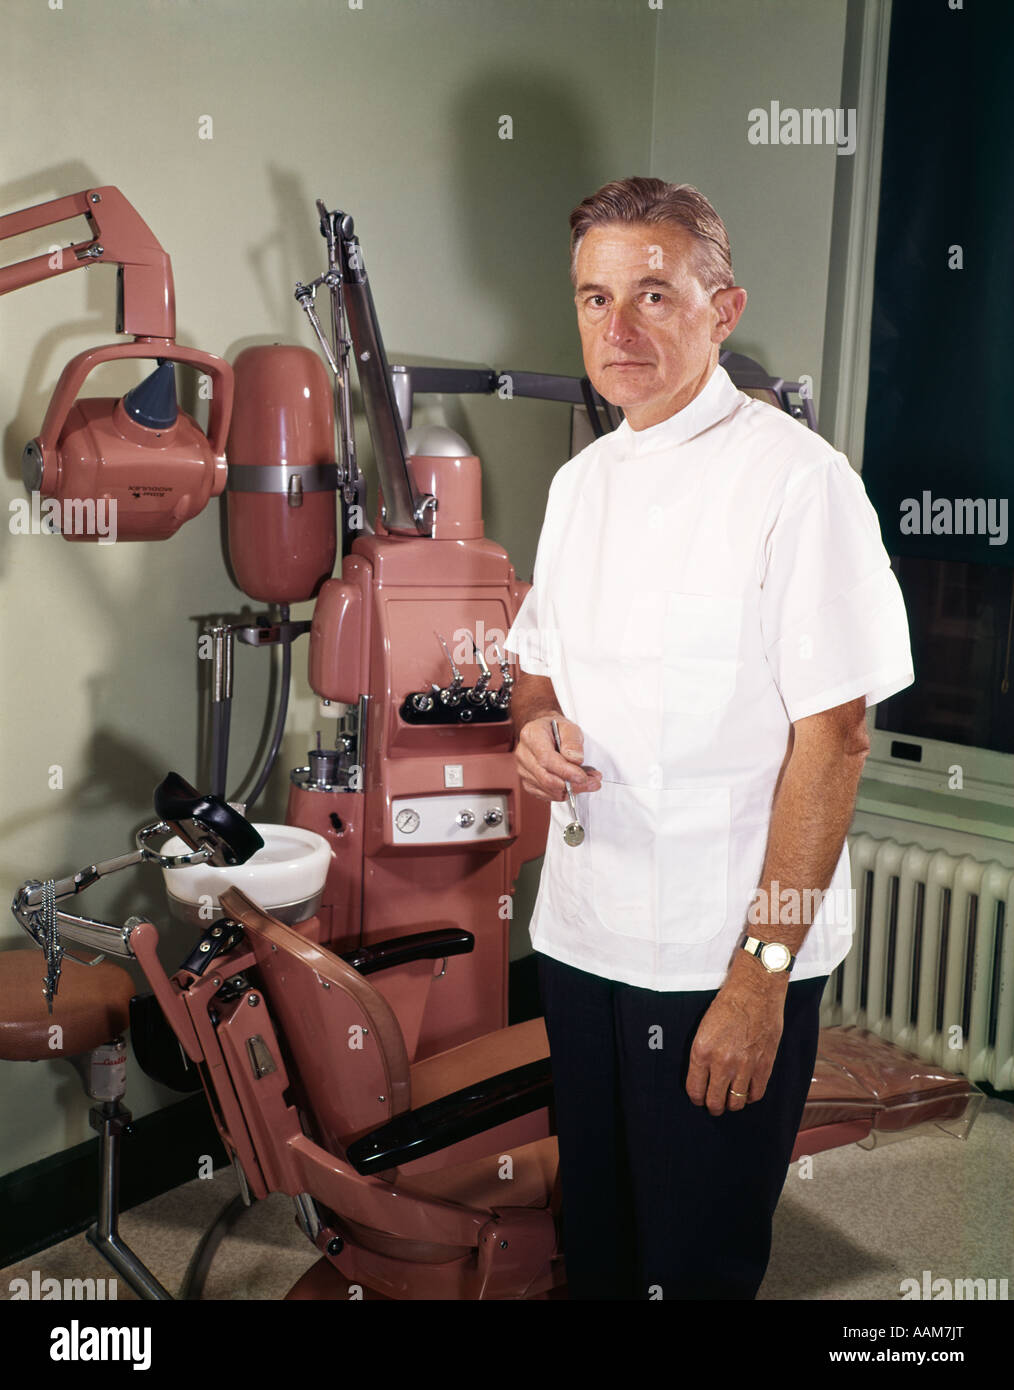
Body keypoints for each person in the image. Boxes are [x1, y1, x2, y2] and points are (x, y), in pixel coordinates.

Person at [503, 176, 914, 1300]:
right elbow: (538, 659)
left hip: (715, 955)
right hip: (586, 939)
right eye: (593, 299)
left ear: (722, 310)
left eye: (652, 294)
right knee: (597, 1243)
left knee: (693, 1266)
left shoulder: (797, 484)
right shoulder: (580, 485)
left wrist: (760, 978)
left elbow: (834, 744)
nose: (617, 329)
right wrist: (535, 724)